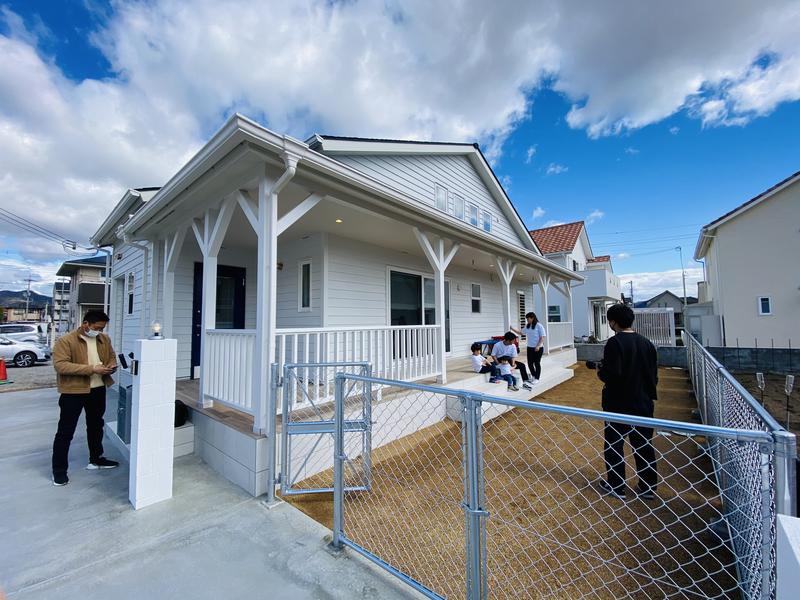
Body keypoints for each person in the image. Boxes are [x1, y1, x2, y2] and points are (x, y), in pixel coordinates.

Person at [596, 303, 658, 500]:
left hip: (618, 403)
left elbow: (611, 374)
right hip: (643, 401)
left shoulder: (615, 343)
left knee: (614, 443)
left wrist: (600, 372)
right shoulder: (647, 343)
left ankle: (617, 485)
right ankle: (648, 487)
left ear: (613, 322)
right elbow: (653, 376)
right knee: (643, 444)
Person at [51, 310, 119, 486]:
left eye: (102, 328)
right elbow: (61, 366)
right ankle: (58, 471)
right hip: (73, 392)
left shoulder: (104, 339)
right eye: (97, 327)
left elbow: (111, 356)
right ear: (86, 324)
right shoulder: (66, 340)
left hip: (98, 390)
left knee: (96, 426)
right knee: (66, 431)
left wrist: (111, 365)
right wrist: (92, 369)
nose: (99, 331)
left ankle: (96, 459)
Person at [511, 312, 546, 383]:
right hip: (530, 348)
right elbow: (521, 333)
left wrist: (538, 346)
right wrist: (512, 328)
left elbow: (542, 337)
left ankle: (537, 378)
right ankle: (533, 376)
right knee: (530, 363)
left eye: (528, 319)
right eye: (526, 319)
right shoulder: (528, 326)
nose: (527, 320)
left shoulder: (539, 326)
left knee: (536, 363)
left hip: (538, 348)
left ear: (532, 318)